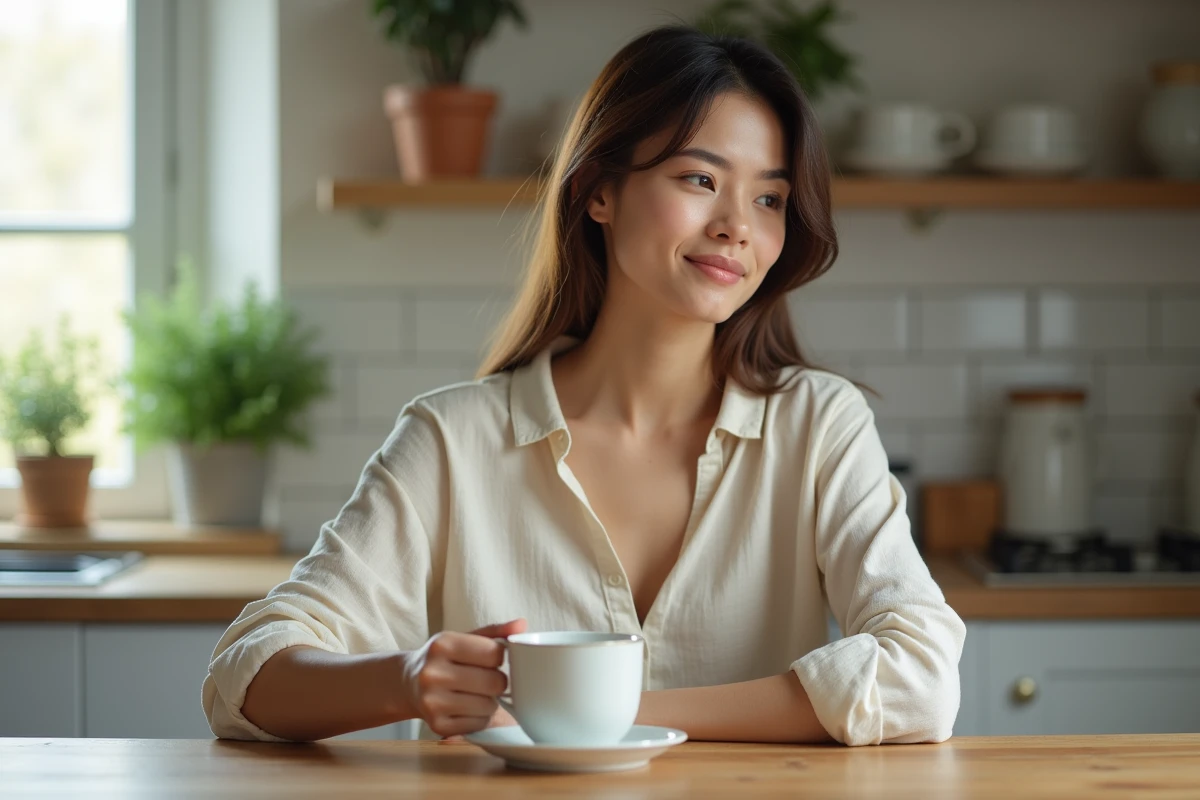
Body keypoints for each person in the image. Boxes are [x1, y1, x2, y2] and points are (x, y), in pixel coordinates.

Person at [202, 25, 965, 747]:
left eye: (769, 198)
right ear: (599, 191)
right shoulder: (451, 441)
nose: (738, 224)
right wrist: (405, 679)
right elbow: (244, 678)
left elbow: (922, 677)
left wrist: (604, 711)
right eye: (700, 179)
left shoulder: (819, 425)